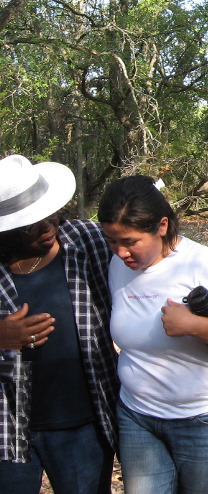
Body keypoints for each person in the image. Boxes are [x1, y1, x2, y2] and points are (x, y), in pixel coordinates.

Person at [97, 175, 208, 494]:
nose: (120, 252)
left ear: (161, 226)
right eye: (111, 241)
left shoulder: (201, 262)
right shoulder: (117, 266)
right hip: (137, 416)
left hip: (204, 421)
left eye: (130, 241)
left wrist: (193, 324)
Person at [0, 155, 119, 494]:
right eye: (31, 226)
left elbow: (153, 254)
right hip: (8, 427)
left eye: (49, 215)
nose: (48, 227)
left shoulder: (88, 240)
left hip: (82, 425)